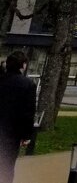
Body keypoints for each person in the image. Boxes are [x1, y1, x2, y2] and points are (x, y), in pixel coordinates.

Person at [0, 51, 36, 183]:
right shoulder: (27, 84)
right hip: (11, 134)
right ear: (23, 65)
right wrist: (26, 135)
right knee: (7, 167)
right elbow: (27, 113)